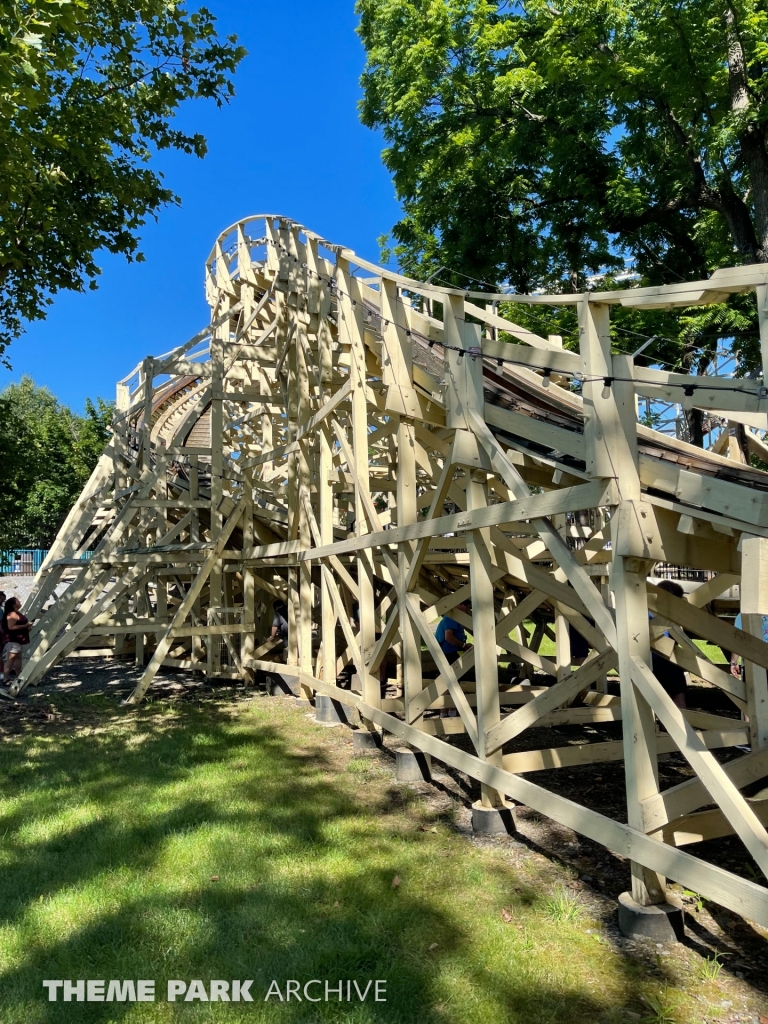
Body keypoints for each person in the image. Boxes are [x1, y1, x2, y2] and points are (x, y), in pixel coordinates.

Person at [650, 579, 688, 709]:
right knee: (677, 694)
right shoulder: (665, 614)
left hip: (659, 658)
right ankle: (680, 720)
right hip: (665, 658)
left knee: (668, 695)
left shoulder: (649, 610)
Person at [2, 596, 33, 685]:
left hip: (18, 640)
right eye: (17, 601)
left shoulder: (16, 613)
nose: (19, 601)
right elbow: (11, 627)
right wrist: (25, 626)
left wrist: (26, 628)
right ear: (13, 604)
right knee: (10, 660)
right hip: (13, 640)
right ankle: (5, 679)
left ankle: (20, 677)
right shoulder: (12, 614)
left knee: (18, 659)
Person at [436, 600, 470, 665]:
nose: (466, 610)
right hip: (450, 652)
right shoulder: (451, 617)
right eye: (466, 606)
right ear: (458, 605)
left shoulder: (453, 617)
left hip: (451, 651)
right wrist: (464, 646)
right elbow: (448, 637)